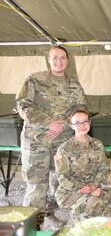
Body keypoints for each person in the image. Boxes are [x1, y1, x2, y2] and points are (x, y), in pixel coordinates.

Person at [16, 46, 87, 221]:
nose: (58, 61)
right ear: (49, 59)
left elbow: (81, 108)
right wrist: (49, 123)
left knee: (59, 179)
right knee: (36, 184)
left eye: (62, 58)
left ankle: (50, 214)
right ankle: (32, 225)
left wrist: (62, 124)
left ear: (67, 60)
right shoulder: (35, 80)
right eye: (55, 58)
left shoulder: (74, 84)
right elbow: (23, 105)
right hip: (37, 140)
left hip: (62, 140)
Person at [54, 110, 111, 221]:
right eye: (77, 123)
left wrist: (93, 186)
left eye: (85, 122)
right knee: (97, 205)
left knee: (110, 200)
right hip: (71, 192)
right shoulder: (64, 149)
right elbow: (62, 177)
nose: (83, 125)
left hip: (94, 186)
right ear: (71, 126)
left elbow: (104, 169)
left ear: (90, 122)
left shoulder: (97, 144)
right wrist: (85, 189)